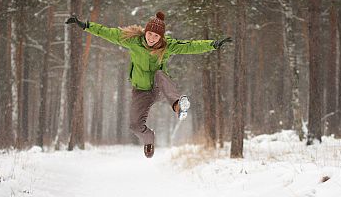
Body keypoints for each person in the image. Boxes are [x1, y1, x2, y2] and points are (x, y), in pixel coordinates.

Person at [65, 11, 232, 158]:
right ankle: (149, 139)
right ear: (146, 32)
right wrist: (85, 25)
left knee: (159, 73)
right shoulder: (133, 41)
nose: (152, 38)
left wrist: (213, 44)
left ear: (161, 37)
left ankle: (178, 106)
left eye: (156, 36)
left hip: (159, 88)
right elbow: (108, 33)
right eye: (150, 34)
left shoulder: (167, 47)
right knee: (135, 126)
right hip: (140, 91)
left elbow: (190, 46)